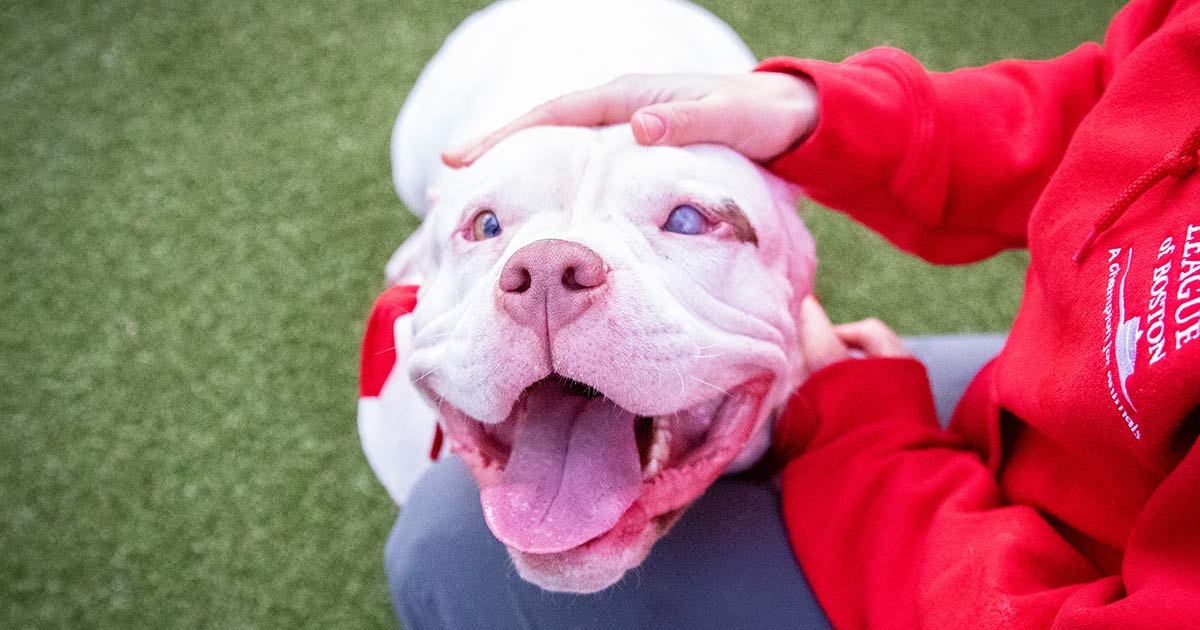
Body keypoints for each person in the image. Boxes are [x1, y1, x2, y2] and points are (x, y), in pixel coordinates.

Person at [390, 0, 1200, 626]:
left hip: (1076, 580)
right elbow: (1131, 97)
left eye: (685, 221)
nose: (542, 269)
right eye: (489, 228)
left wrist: (868, 441)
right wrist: (825, 118)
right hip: (1069, 416)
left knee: (449, 552)